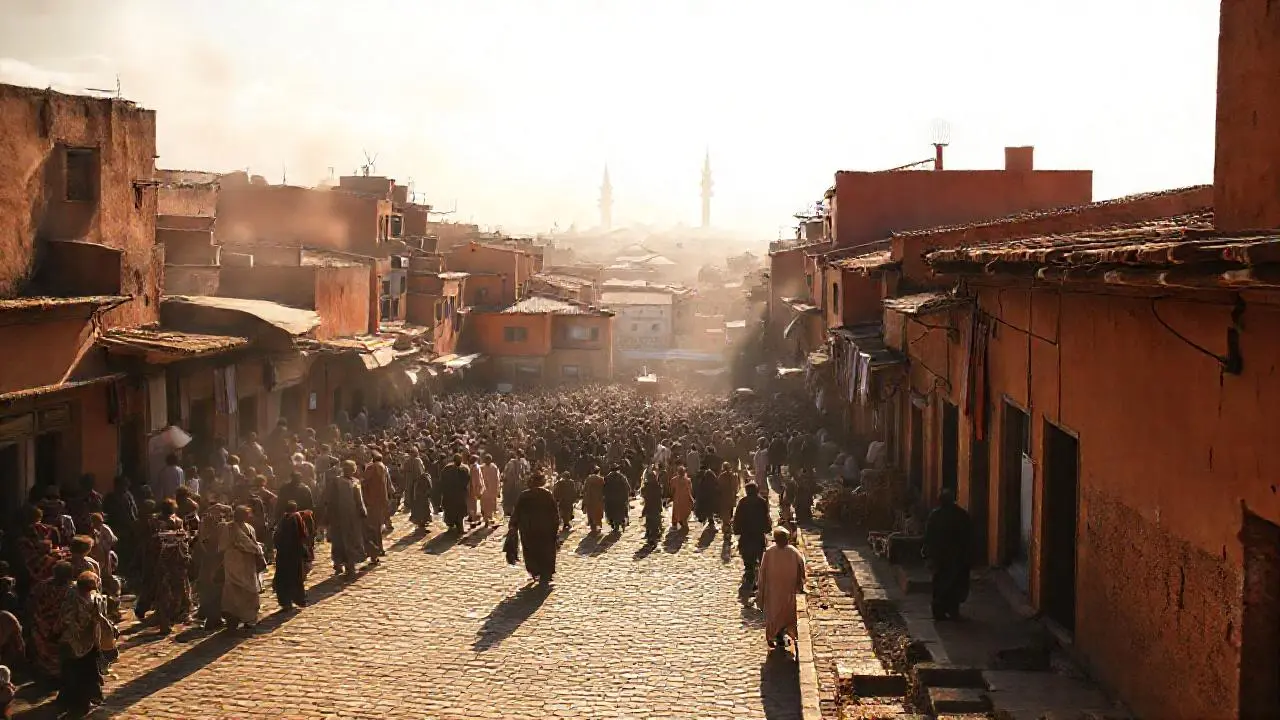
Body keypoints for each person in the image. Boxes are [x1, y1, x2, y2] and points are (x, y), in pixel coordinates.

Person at [57, 571, 113, 713]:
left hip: (83, 641)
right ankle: (78, 703)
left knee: (80, 671)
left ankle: (79, 701)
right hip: (77, 641)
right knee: (79, 673)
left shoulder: (84, 597)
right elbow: (68, 619)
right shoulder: (78, 598)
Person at [923, 488, 972, 621]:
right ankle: (952, 610)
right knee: (954, 584)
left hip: (940, 557)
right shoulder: (962, 515)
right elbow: (968, 538)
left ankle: (939, 611)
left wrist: (928, 554)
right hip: (956, 558)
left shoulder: (935, 516)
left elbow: (928, 537)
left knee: (939, 584)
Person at [756, 527, 806, 655]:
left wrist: (761, 589)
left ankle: (778, 634)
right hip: (783, 589)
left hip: (778, 589)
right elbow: (802, 567)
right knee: (784, 612)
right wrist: (800, 583)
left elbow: (762, 572)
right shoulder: (792, 552)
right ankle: (780, 634)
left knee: (778, 613)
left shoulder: (770, 552)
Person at [506, 473, 560, 584]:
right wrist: (555, 527)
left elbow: (517, 512)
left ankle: (535, 570)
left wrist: (513, 525)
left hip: (528, 528)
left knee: (531, 550)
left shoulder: (525, 495)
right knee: (546, 550)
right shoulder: (547, 495)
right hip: (545, 528)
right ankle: (546, 572)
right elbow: (554, 513)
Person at [221, 505, 264, 631]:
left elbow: (254, 544)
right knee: (233, 590)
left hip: (247, 564)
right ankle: (233, 618)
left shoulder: (249, 528)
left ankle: (249, 618)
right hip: (234, 563)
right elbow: (223, 545)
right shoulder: (228, 528)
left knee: (249, 590)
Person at [323, 460, 369, 577]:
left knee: (343, 541)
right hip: (346, 517)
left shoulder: (339, 481)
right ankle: (346, 565)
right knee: (347, 541)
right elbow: (359, 501)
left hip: (344, 517)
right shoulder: (348, 482)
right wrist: (363, 512)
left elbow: (328, 499)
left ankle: (342, 564)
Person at [195, 503, 231, 629]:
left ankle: (211, 615)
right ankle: (212, 618)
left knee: (211, 589)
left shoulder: (212, 524)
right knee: (214, 589)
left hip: (212, 559)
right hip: (214, 560)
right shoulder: (216, 525)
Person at [272, 501, 312, 611]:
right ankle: (297, 599)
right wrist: (305, 553)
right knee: (295, 578)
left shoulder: (283, 520)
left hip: (282, 555)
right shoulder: (296, 518)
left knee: (283, 578)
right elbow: (301, 535)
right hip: (293, 554)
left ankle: (285, 602)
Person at [733, 482, 772, 590]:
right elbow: (766, 517)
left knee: (747, 557)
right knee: (759, 555)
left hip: (746, 535)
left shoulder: (743, 502)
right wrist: (767, 528)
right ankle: (758, 578)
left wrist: (736, 530)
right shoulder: (761, 502)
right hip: (758, 534)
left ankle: (750, 576)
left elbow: (738, 517)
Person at [362, 453, 391, 562]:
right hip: (380, 500)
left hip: (371, 501)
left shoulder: (372, 468)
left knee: (372, 528)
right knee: (377, 527)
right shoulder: (382, 467)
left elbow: (364, 482)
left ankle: (375, 550)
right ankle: (379, 549)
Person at [439, 454, 471, 534]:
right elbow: (443, 481)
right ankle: (452, 526)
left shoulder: (464, 468)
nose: (458, 462)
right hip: (451, 494)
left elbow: (467, 480)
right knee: (450, 511)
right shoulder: (447, 469)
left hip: (459, 494)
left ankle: (459, 528)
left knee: (459, 512)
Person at [603, 464, 630, 533]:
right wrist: (626, 497)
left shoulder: (607, 478)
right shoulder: (621, 477)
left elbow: (604, 489)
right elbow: (627, 487)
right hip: (620, 498)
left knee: (611, 512)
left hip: (610, 499)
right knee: (619, 512)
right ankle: (619, 523)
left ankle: (614, 525)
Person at [641, 472, 664, 545]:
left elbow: (643, 494)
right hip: (656, 506)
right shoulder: (658, 486)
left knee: (649, 520)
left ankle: (649, 534)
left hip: (649, 506)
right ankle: (653, 534)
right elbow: (660, 495)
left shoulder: (646, 486)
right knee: (655, 520)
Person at [581, 466, 606, 533]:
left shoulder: (588, 479)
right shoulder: (601, 479)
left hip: (590, 499)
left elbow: (584, 489)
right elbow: (604, 489)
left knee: (590, 513)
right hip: (598, 499)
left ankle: (593, 527)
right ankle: (598, 526)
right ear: (598, 472)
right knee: (598, 514)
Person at [669, 465, 693, 531]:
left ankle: (676, 523)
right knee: (684, 512)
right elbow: (690, 490)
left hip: (677, 498)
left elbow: (672, 490)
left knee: (676, 512)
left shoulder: (673, 480)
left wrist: (672, 496)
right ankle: (682, 522)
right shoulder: (687, 480)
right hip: (685, 499)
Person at [479, 454, 501, 525]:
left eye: (488, 459)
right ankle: (486, 520)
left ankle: (488, 519)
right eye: (486, 459)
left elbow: (497, 479)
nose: (487, 461)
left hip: (492, 490)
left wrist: (498, 490)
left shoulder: (494, 467)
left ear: (490, 460)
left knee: (491, 506)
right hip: (484, 490)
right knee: (484, 506)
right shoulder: (481, 467)